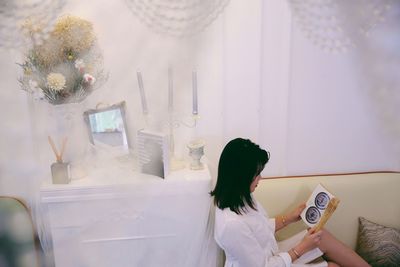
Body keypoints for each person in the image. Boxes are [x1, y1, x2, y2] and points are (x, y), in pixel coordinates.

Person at [210, 138, 370, 267]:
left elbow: (260, 228)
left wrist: (290, 218)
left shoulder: (241, 196)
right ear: (242, 178)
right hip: (267, 264)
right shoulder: (231, 225)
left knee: (322, 236)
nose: (260, 178)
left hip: (271, 252)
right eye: (257, 174)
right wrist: (302, 248)